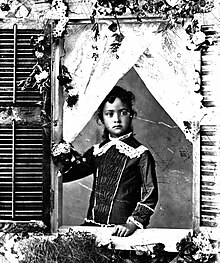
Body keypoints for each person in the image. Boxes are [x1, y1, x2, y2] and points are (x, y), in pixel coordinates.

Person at [62, 86, 158, 237]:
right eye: (109, 114)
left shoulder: (140, 153)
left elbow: (150, 193)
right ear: (101, 119)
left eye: (123, 113)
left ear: (131, 115)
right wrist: (60, 158)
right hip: (93, 228)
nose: (117, 119)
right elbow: (66, 175)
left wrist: (132, 224)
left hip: (122, 231)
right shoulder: (96, 152)